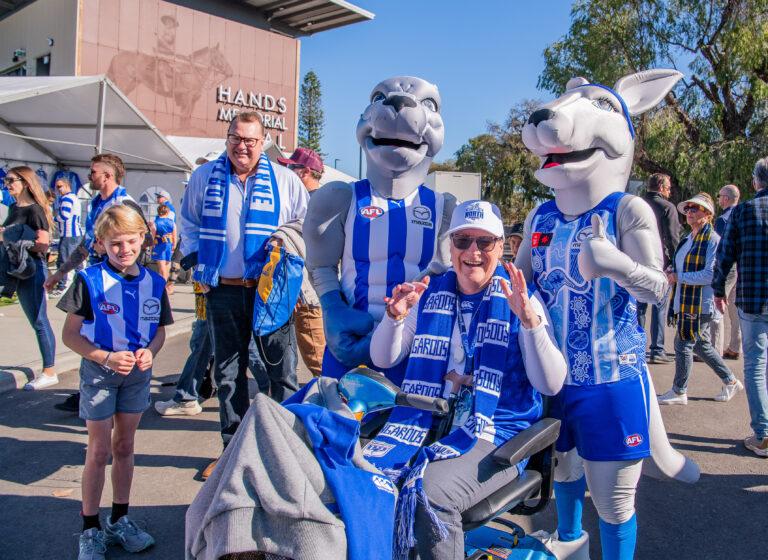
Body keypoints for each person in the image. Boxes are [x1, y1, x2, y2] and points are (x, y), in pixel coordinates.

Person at [364, 200, 567, 559]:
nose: (472, 252)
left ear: (500, 246)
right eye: (462, 241)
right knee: (361, 475)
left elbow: (551, 384)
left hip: (496, 435)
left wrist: (529, 322)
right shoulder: (429, 293)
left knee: (429, 495)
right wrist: (395, 317)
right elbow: (383, 358)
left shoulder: (519, 297)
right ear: (451, 246)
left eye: (484, 243)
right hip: (430, 424)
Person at [180, 111, 308, 479]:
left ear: (262, 142)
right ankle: (231, 449)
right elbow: (188, 220)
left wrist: (286, 243)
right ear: (227, 138)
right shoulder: (205, 177)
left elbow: (306, 223)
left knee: (281, 372)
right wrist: (193, 258)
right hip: (222, 289)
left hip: (272, 291)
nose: (243, 146)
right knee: (228, 373)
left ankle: (287, 452)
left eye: (251, 140)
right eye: (236, 138)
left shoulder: (284, 180)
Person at [58, 205, 172, 560]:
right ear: (102, 244)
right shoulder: (89, 280)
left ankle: (120, 519)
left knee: (124, 447)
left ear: (143, 239)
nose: (124, 250)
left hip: (138, 377)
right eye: (115, 244)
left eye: (131, 242)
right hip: (100, 373)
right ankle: (90, 528)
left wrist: (151, 352)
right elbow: (70, 336)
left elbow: (160, 333)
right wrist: (104, 357)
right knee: (98, 450)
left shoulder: (154, 281)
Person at [45, 153, 151, 413]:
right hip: (95, 280)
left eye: (93, 172)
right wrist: (62, 272)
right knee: (88, 333)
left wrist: (115, 253)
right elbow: (86, 244)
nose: (89, 176)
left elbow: (145, 240)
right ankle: (89, 391)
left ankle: (122, 396)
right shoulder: (96, 203)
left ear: (107, 175)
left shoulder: (124, 203)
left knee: (116, 337)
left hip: (120, 284)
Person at [657, 193, 742, 405]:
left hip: (698, 303)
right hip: (686, 301)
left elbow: (710, 274)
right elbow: (681, 264)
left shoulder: (713, 240)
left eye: (695, 208)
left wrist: (679, 277)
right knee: (701, 345)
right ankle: (730, 381)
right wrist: (671, 269)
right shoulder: (688, 238)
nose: (690, 212)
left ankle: (679, 391)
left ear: (708, 214)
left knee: (683, 344)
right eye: (688, 209)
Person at [714, 157, 768, 457]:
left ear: (755, 181)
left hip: (754, 298)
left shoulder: (744, 211)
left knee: (756, 365)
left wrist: (719, 289)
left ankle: (763, 435)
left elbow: (725, 255)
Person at [0, 167, 58, 390]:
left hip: (32, 268)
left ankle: (49, 371)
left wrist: (18, 241)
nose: (7, 184)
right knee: (36, 320)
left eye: (11, 180)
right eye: (6, 181)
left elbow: (43, 244)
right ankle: (48, 369)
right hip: (16, 267)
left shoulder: (35, 210)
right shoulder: (14, 207)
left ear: (25, 182)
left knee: (39, 320)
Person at [277, 147, 326, 376]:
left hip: (308, 289)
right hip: (317, 289)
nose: (287, 171)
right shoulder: (325, 201)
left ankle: (338, 404)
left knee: (316, 357)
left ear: (305, 171)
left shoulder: (313, 204)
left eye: (291, 167)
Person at [637, 173, 680, 364]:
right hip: (659, 264)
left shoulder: (636, 204)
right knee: (659, 306)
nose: (670, 191)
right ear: (661, 188)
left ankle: (637, 347)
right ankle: (657, 349)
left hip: (636, 263)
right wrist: (676, 260)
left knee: (639, 307)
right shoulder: (667, 208)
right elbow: (672, 238)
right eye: (669, 187)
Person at [712, 184, 742, 359]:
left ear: (726, 198)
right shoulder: (744, 214)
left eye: (719, 196)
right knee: (735, 308)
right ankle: (735, 346)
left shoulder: (723, 220)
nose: (718, 199)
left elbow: (721, 247)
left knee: (718, 306)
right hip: (741, 266)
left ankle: (715, 347)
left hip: (727, 267)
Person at [51, 177, 84, 296]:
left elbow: (64, 216)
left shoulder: (66, 198)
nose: (58, 189)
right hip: (76, 234)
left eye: (60, 186)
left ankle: (62, 286)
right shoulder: (74, 197)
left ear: (67, 185)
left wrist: (52, 218)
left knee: (63, 261)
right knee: (77, 262)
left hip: (69, 234)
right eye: (57, 187)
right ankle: (83, 285)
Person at [151, 203, 176, 291]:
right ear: (167, 212)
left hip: (159, 245)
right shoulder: (172, 222)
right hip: (169, 245)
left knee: (161, 269)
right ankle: (163, 285)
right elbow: (174, 236)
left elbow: (153, 236)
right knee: (167, 267)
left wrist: (151, 246)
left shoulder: (156, 223)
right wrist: (174, 245)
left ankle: (163, 287)